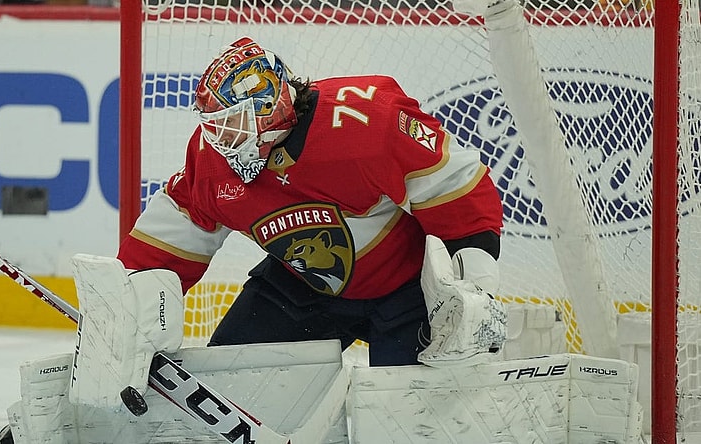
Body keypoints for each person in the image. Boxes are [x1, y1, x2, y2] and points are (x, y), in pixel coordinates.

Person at [116, 36, 507, 368]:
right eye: (217, 125)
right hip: (304, 285)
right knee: (230, 384)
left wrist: (476, 290)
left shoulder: (367, 120)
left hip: (409, 293)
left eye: (234, 123)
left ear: (271, 108)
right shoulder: (213, 159)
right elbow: (176, 230)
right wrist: (124, 309)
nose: (222, 139)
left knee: (405, 413)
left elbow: (457, 190)